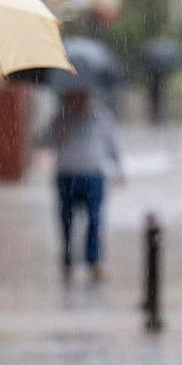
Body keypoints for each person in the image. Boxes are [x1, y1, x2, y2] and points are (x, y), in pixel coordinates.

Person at [48, 86, 120, 280]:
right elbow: (50, 140)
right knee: (66, 220)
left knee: (94, 219)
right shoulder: (61, 116)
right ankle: (67, 261)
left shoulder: (102, 116)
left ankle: (93, 261)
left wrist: (119, 168)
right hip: (67, 173)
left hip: (93, 174)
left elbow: (112, 143)